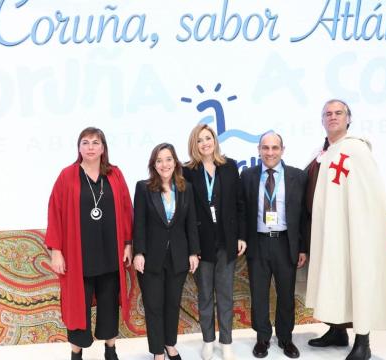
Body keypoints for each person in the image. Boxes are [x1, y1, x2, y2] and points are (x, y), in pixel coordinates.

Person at [304, 99, 386, 360]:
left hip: (353, 230)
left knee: (357, 279)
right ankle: (337, 331)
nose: (333, 117)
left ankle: (363, 343)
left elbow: (370, 194)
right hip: (330, 231)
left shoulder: (356, 150)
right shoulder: (324, 151)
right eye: (327, 113)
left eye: (338, 113)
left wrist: (361, 229)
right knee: (334, 280)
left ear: (348, 119)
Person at [45, 127, 133, 360]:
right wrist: (56, 250)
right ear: (79, 148)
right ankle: (76, 352)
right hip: (78, 258)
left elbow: (126, 210)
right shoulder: (67, 175)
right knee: (77, 307)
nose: (91, 147)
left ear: (103, 148)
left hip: (110, 255)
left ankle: (110, 349)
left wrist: (127, 243)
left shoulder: (115, 174)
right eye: (85, 142)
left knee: (109, 305)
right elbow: (55, 212)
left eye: (96, 142)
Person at [239, 131, 307, 359]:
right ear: (259, 150)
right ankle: (262, 338)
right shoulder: (247, 175)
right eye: (265, 148)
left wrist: (303, 248)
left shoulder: (297, 176)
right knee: (258, 295)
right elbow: (241, 211)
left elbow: (304, 216)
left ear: (282, 150)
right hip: (258, 243)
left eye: (274, 148)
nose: (270, 152)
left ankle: (286, 338)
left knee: (286, 295)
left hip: (285, 242)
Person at [182, 124, 245, 360]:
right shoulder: (187, 171)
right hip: (201, 246)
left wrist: (241, 236)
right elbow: (186, 213)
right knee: (205, 295)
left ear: (215, 141)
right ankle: (208, 340)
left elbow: (239, 205)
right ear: (194, 145)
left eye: (208, 138)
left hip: (227, 243)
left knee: (226, 295)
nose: (205, 143)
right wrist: (192, 247)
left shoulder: (229, 166)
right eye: (199, 140)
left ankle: (226, 342)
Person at [133, 143, 200, 360]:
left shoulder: (185, 188)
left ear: (175, 162)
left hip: (178, 257)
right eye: (159, 160)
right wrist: (139, 252)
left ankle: (170, 344)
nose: (164, 164)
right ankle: (157, 352)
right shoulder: (143, 188)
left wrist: (193, 252)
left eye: (168, 159)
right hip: (151, 258)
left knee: (172, 304)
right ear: (154, 164)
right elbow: (139, 223)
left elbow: (191, 223)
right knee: (154, 306)